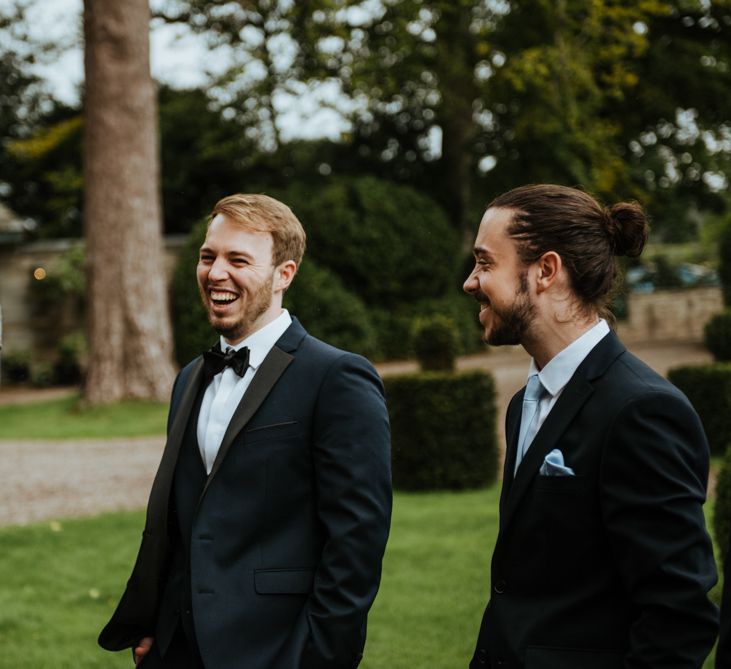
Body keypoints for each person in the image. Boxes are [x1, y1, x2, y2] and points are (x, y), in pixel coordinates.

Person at [98, 194, 392, 669]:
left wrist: (318, 655)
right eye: (208, 256)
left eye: (238, 260)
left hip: (276, 648)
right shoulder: (190, 376)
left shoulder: (336, 377)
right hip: (179, 648)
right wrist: (157, 624)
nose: (216, 273)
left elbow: (358, 540)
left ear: (284, 275)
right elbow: (183, 520)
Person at [462, 184, 718, 668]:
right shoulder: (523, 405)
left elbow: (679, 615)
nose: (471, 282)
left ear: (545, 271)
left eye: (486, 263)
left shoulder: (642, 411)